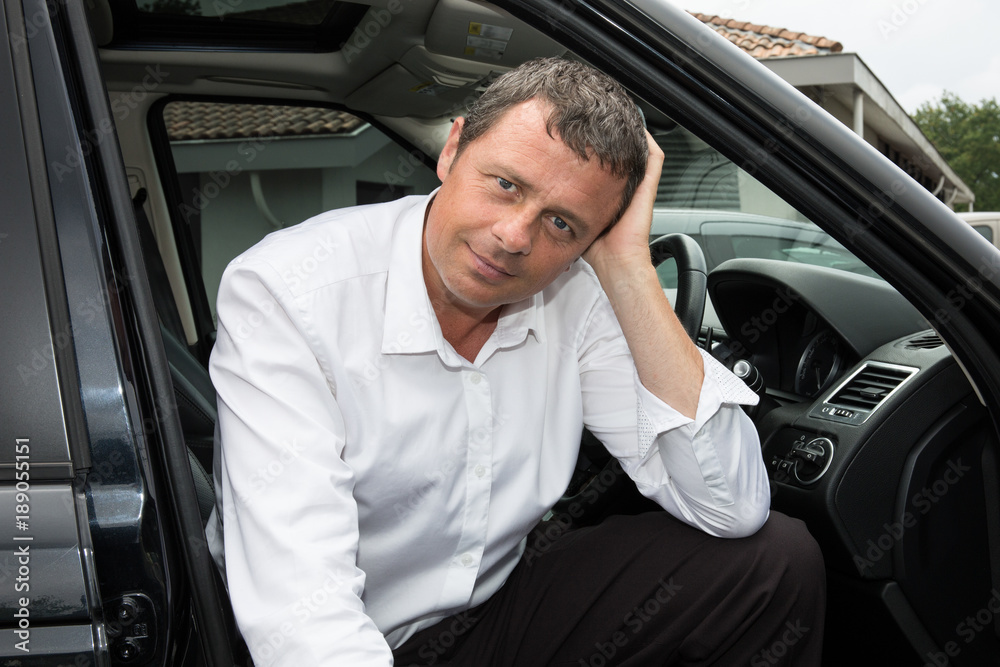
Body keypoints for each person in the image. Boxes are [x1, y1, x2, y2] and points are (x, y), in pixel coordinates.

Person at [205, 57, 825, 665]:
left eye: (562, 223)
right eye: (506, 185)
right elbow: (305, 615)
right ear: (452, 151)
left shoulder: (575, 296)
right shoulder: (289, 291)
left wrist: (628, 267)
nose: (514, 237)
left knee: (773, 561)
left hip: (491, 618)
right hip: (353, 635)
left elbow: (732, 508)